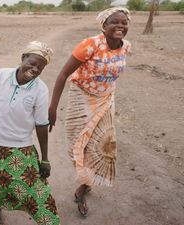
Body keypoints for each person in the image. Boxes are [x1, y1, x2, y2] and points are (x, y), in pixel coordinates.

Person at [47, 7, 132, 217]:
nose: (120, 26)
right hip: (81, 98)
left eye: (124, 23)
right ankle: (85, 180)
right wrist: (53, 107)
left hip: (105, 100)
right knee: (78, 144)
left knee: (103, 144)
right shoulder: (90, 44)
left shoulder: (126, 47)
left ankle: (83, 188)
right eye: (115, 22)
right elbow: (63, 75)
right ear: (104, 25)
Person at [0, 41, 60, 225]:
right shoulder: (0, 76)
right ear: (23, 58)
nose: (35, 69)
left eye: (41, 67)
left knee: (38, 195)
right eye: (32, 62)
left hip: (22, 149)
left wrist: (44, 159)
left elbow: (41, 126)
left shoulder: (40, 89)